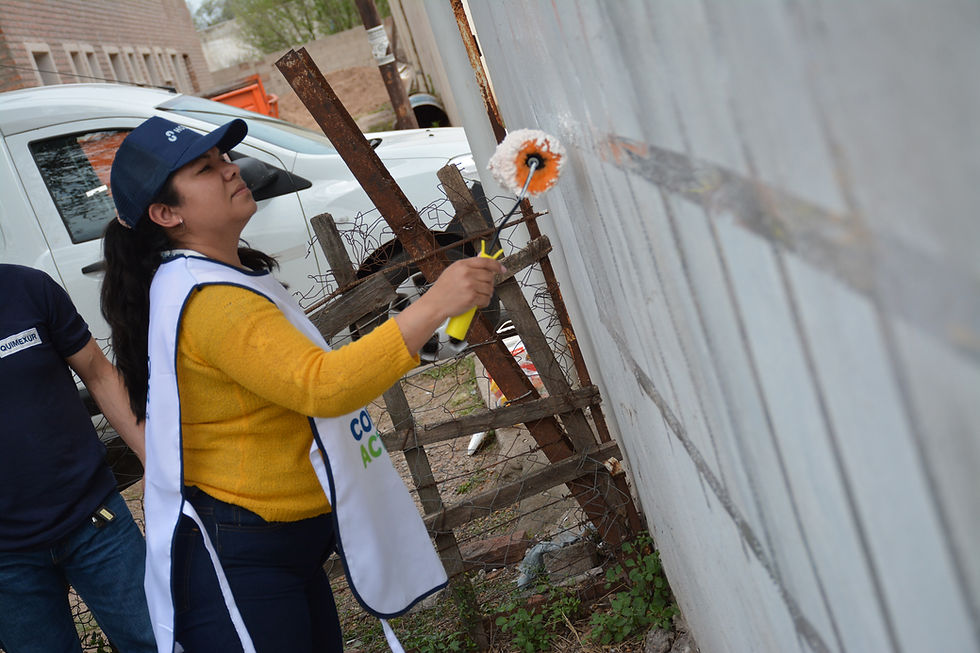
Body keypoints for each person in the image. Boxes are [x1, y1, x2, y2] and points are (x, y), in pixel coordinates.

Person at [101, 116, 505, 653]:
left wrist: (430, 332)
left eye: (224, 159)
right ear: (166, 213)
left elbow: (298, 376)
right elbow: (323, 386)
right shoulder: (210, 300)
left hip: (279, 542)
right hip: (240, 556)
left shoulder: (223, 274)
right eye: (206, 168)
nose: (230, 171)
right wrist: (433, 304)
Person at [0, 263, 155, 653]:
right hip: (6, 560)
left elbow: (99, 374)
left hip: (95, 519)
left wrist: (155, 462)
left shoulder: (28, 287)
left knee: (158, 641)